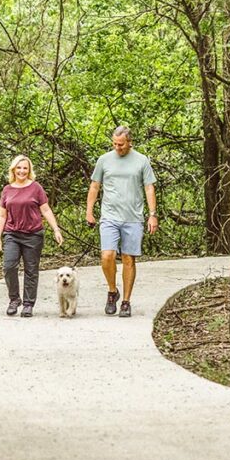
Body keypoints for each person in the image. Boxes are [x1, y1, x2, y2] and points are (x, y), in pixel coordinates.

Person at [85, 125, 158, 318]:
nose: (118, 147)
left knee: (128, 258)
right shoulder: (104, 160)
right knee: (107, 255)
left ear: (129, 142)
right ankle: (112, 291)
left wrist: (152, 214)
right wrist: (89, 212)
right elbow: (94, 186)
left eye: (121, 144)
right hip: (109, 215)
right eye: (115, 144)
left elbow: (149, 188)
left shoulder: (141, 160)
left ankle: (126, 301)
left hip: (133, 217)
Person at [0, 154, 64, 317]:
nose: (22, 171)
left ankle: (28, 304)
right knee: (9, 266)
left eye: (25, 168)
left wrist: (56, 229)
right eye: (19, 168)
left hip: (33, 235)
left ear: (29, 170)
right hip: (12, 233)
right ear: (13, 169)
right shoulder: (7, 190)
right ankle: (14, 299)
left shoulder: (36, 188)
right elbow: (2, 215)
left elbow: (45, 210)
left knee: (31, 270)